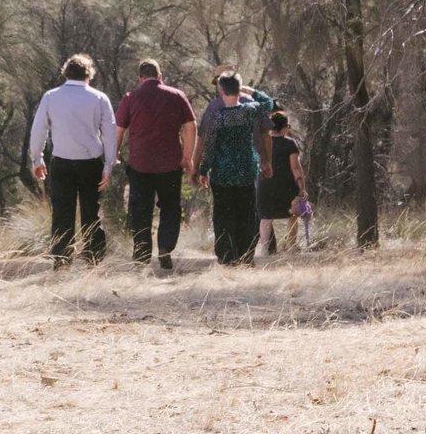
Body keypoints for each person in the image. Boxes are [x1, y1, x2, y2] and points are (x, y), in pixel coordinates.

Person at [27, 54, 116, 268]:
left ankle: (61, 259)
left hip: (62, 161)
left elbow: (39, 129)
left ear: (66, 72)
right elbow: (110, 132)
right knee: (91, 212)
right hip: (91, 162)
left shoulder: (51, 96)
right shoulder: (99, 98)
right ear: (89, 74)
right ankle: (93, 258)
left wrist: (36, 159)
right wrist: (109, 165)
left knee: (62, 212)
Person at [114, 60, 198, 272]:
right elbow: (190, 126)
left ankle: (142, 253)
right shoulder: (177, 96)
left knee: (140, 209)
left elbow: (119, 129)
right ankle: (165, 249)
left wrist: (114, 153)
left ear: (140, 79)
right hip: (169, 165)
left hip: (140, 164)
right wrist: (188, 157)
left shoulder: (131, 98)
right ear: (160, 77)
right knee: (170, 207)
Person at [195, 72, 263, 265]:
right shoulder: (250, 110)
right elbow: (268, 103)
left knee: (223, 216)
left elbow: (209, 147)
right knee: (247, 215)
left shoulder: (217, 117)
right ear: (239, 90)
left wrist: (203, 170)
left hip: (222, 175)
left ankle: (226, 257)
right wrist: (253, 92)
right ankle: (246, 255)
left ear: (221, 91)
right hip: (246, 172)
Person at [258, 109, 308, 254]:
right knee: (292, 215)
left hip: (265, 184)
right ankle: (291, 247)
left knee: (265, 218)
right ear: (284, 127)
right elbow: (296, 168)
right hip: (285, 186)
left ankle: (264, 249)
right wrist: (302, 188)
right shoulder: (289, 143)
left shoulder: (261, 142)